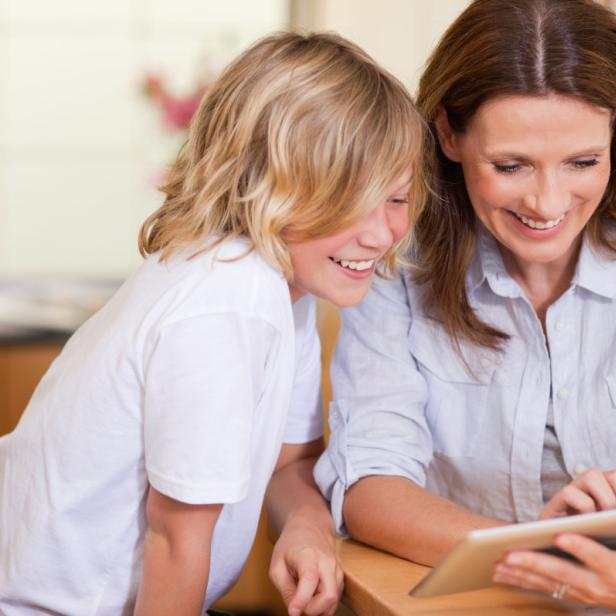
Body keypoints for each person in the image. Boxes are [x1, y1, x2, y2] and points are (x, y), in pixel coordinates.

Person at [0, 32, 426, 616]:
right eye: (347, 201)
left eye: (397, 200)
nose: (380, 234)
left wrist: (307, 526)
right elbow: (175, 539)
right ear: (267, 183)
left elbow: (290, 461)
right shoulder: (229, 302)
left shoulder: (281, 286)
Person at [315, 0, 616, 608]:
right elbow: (372, 483)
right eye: (510, 166)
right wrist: (543, 553)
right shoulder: (394, 260)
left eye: (583, 162)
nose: (547, 201)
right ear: (448, 133)